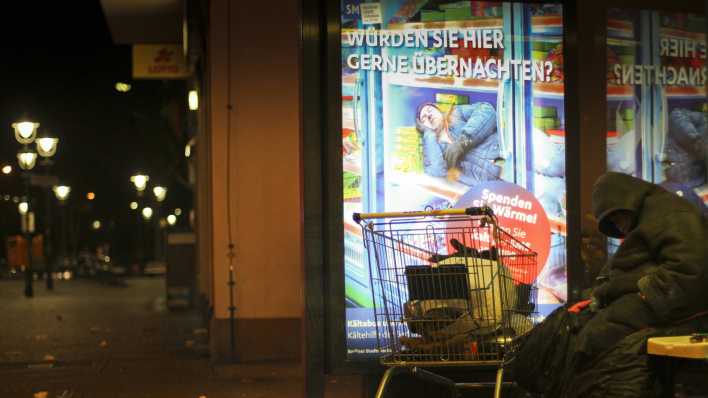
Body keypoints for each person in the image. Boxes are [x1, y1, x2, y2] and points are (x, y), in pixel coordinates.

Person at [511, 172, 708, 397]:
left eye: (617, 218)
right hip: (655, 301)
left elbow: (692, 267)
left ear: (625, 201)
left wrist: (645, 294)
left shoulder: (671, 212)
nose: (619, 226)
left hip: (668, 304)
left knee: (590, 338)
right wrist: (599, 297)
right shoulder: (655, 214)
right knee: (570, 331)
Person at [415, 101, 502, 186]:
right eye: (424, 118)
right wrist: (429, 133)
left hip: (506, 151)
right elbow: (438, 169)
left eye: (430, 110)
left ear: (438, 110)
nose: (429, 116)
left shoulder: (455, 114)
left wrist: (464, 141)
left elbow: (487, 110)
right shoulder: (432, 148)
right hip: (496, 185)